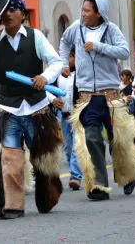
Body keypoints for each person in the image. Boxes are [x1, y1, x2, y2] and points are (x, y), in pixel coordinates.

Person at [0, 0, 63, 220]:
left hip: (37, 107)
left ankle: (47, 198)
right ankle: (13, 206)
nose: (7, 14)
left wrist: (45, 78)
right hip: (9, 109)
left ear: (22, 14)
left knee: (43, 159)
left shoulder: (35, 37)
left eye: (12, 10)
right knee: (10, 159)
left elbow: (57, 62)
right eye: (4, 11)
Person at [60, 0, 135, 201]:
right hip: (87, 96)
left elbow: (124, 52)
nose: (83, 14)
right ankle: (99, 185)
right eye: (83, 10)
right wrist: (63, 64)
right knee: (92, 138)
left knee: (118, 141)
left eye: (87, 11)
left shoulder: (111, 29)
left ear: (98, 13)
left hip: (111, 95)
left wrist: (98, 47)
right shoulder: (75, 28)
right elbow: (64, 42)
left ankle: (128, 175)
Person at [47, 47, 83, 190]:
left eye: (69, 57)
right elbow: (45, 88)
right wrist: (53, 99)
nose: (67, 60)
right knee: (67, 148)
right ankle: (76, 169)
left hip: (78, 115)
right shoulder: (56, 74)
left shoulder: (82, 74)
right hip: (63, 115)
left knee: (76, 146)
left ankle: (75, 176)